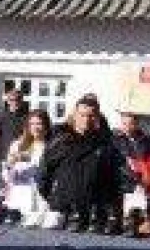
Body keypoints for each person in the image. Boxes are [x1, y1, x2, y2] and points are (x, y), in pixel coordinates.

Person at [38, 94, 124, 234]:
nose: (87, 119)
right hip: (64, 212)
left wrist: (114, 214)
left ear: (97, 117)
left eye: (91, 115)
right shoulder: (60, 140)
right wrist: (53, 199)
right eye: (83, 115)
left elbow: (115, 181)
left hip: (95, 214)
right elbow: (44, 172)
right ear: (75, 115)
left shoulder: (106, 144)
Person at [2, 109, 61, 228]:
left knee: (50, 223)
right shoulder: (17, 144)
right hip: (21, 192)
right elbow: (7, 174)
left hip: (43, 193)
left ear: (46, 126)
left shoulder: (52, 146)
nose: (36, 127)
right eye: (32, 124)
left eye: (39, 123)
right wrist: (11, 164)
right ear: (27, 126)